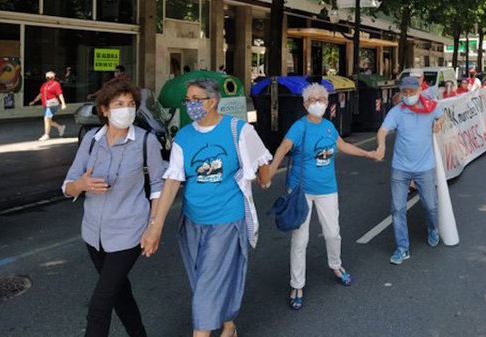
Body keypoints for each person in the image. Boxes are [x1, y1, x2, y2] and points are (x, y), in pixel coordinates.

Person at [141, 78, 272, 337]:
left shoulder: (238, 130)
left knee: (207, 285)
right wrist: (154, 226)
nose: (190, 105)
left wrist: (264, 179)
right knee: (202, 279)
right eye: (187, 100)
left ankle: (203, 332)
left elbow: (262, 159)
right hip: (192, 221)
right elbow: (171, 183)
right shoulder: (183, 137)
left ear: (212, 102)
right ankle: (228, 325)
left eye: (195, 100)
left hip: (226, 218)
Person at [62, 79, 165, 337]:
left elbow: (157, 187)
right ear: (105, 110)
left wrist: (153, 228)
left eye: (131, 104)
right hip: (93, 235)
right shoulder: (91, 141)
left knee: (99, 306)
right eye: (119, 104)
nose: (126, 109)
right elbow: (66, 186)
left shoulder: (145, 141)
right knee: (120, 294)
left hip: (129, 233)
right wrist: (81, 185)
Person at [268, 83, 381, 310]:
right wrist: (269, 173)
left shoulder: (329, 127)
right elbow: (283, 147)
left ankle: (336, 265)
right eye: (312, 100)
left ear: (327, 102)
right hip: (301, 191)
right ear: (304, 104)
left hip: (328, 189)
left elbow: (343, 146)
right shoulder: (300, 127)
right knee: (300, 239)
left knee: (333, 234)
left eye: (321, 99)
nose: (317, 103)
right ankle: (297, 284)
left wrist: (368, 153)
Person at [375, 75, 445, 265]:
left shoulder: (430, 107)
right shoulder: (397, 111)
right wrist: (381, 145)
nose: (408, 95)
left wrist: (439, 124)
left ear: (419, 91)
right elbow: (383, 130)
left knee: (430, 205)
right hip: (400, 168)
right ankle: (402, 248)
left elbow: (442, 115)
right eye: (404, 92)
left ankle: (432, 228)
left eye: (411, 92)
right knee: (398, 209)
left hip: (425, 167)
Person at [29, 70, 67, 140]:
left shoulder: (56, 84)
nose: (48, 77)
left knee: (46, 119)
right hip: (46, 104)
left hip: (53, 104)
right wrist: (34, 101)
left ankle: (46, 135)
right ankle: (60, 127)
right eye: (47, 76)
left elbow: (60, 94)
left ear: (53, 77)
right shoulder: (45, 85)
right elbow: (41, 94)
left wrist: (63, 103)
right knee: (48, 120)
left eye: (50, 76)